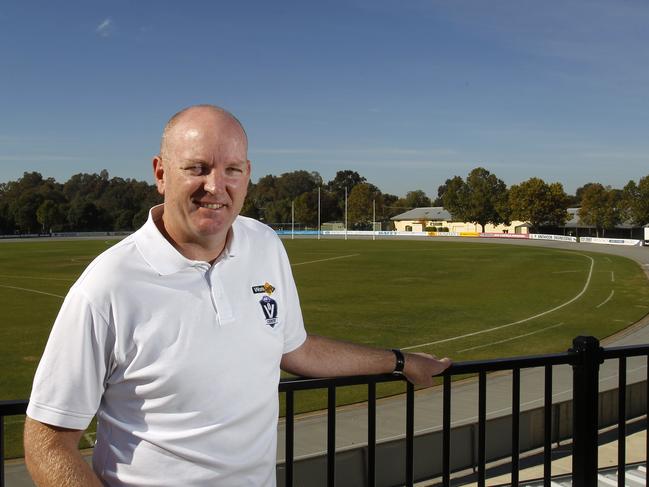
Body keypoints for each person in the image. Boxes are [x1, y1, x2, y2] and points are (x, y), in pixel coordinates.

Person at [23, 104, 451, 486]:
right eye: (197, 168)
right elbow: (47, 443)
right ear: (160, 174)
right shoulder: (107, 285)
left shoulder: (264, 243)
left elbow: (296, 348)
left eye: (232, 169)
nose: (216, 185)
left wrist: (400, 361)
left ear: (247, 175)